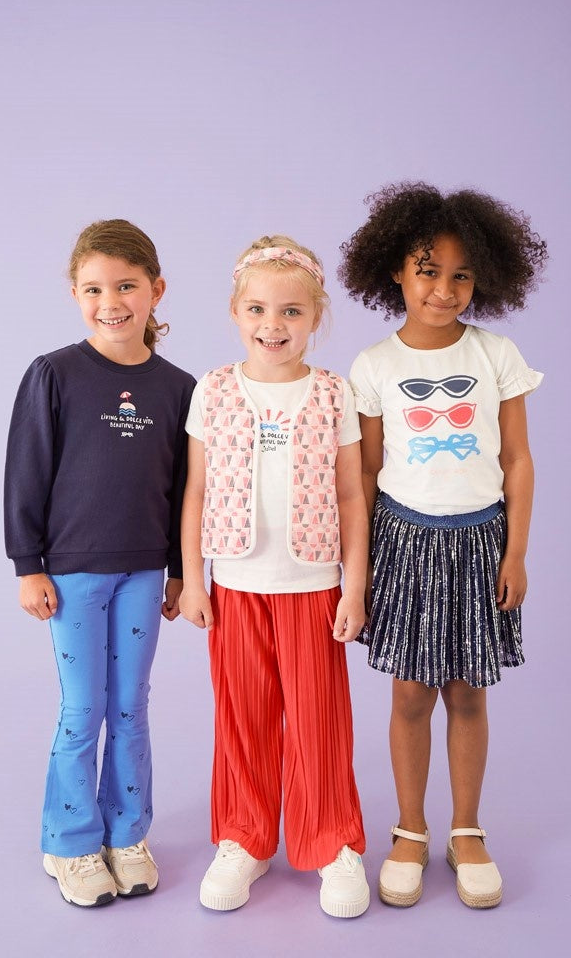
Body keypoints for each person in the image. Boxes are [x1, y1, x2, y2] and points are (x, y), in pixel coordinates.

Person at [340, 182, 547, 909]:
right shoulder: (373, 365)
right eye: (428, 271)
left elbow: (517, 459)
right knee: (409, 692)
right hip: (403, 542)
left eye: (462, 275)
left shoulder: (496, 354)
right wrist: (360, 571)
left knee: (466, 691)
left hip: (480, 541)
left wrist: (515, 553)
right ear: (395, 271)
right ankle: (409, 830)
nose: (445, 289)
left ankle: (465, 829)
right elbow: (366, 474)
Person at [4, 220, 195, 907]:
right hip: (73, 573)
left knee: (131, 708)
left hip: (144, 573)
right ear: (75, 294)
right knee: (83, 709)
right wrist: (28, 564)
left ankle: (127, 835)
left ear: (156, 291)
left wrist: (179, 570)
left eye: (125, 286)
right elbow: (26, 471)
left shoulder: (178, 387)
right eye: (93, 289)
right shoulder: (54, 374)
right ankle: (70, 843)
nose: (109, 302)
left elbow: (183, 488)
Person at [179, 235, 370, 918]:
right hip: (234, 584)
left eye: (291, 311)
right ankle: (244, 837)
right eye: (257, 309)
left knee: (319, 722)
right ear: (235, 312)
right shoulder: (212, 390)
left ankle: (331, 841)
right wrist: (193, 579)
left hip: (313, 584)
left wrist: (354, 586)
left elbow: (352, 495)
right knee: (243, 718)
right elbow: (195, 490)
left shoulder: (333, 394)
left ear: (315, 316)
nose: (273, 325)